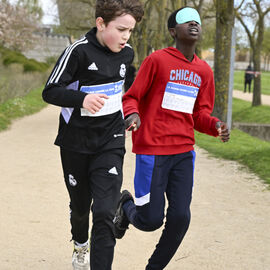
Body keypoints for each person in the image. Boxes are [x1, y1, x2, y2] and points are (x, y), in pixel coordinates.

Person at [113, 6, 230, 270]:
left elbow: (200, 114)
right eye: (186, 21)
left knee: (180, 218)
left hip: (183, 153)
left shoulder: (204, 71)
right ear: (172, 31)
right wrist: (132, 115)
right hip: (153, 151)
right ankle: (126, 206)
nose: (194, 24)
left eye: (197, 21)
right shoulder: (157, 60)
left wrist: (216, 126)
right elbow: (131, 96)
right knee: (150, 220)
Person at [42, 0, 144, 269]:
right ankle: (80, 246)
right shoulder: (78, 52)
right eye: (121, 29)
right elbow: (50, 91)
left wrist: (131, 112)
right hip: (76, 142)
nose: (125, 37)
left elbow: (126, 92)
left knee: (103, 212)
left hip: (110, 139)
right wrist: (82, 99)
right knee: (80, 208)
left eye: (130, 31)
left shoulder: (127, 54)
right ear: (101, 23)